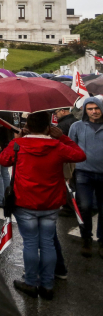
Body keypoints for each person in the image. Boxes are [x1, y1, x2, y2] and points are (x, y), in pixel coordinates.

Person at [0, 112, 86, 300]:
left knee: (30, 243)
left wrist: (17, 139)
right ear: (48, 127)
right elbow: (80, 155)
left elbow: (3, 160)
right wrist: (61, 136)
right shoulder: (58, 145)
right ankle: (47, 285)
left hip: (25, 202)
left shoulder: (19, 145)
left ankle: (31, 282)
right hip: (50, 203)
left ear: (28, 127)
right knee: (47, 243)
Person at [69, 96, 103, 258]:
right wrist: (69, 174)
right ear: (84, 110)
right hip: (83, 173)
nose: (94, 112)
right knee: (85, 206)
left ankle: (102, 241)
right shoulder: (76, 127)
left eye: (97, 108)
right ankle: (86, 239)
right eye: (90, 109)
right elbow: (70, 150)